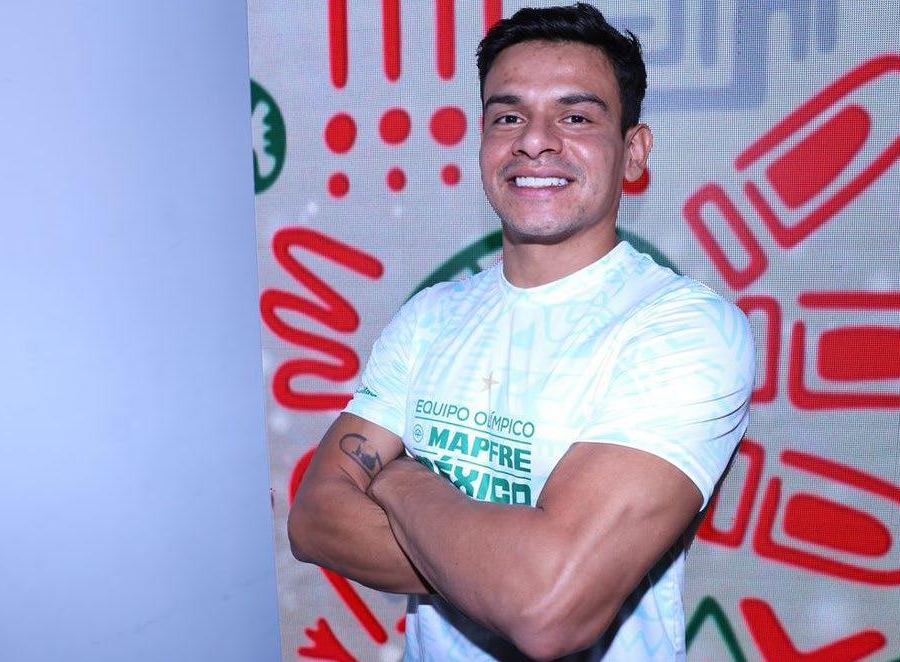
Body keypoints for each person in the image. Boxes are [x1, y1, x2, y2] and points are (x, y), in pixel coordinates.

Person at [288, 4, 755, 660]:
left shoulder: (683, 329)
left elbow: (546, 609)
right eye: (507, 117)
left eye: (576, 117)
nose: (534, 141)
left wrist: (399, 480)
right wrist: (504, 566)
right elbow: (313, 520)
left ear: (633, 151)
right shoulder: (430, 316)